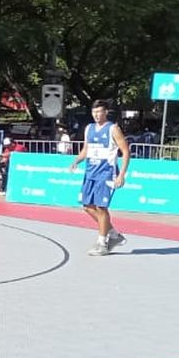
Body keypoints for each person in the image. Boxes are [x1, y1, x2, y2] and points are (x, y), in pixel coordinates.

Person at [68, 99, 131, 256]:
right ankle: (114, 235)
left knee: (101, 208)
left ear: (105, 112)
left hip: (106, 173)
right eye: (94, 112)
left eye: (99, 112)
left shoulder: (113, 129)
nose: (96, 115)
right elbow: (86, 149)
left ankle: (102, 242)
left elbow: (125, 151)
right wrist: (77, 160)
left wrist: (121, 174)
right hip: (90, 172)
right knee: (87, 206)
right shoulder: (89, 128)